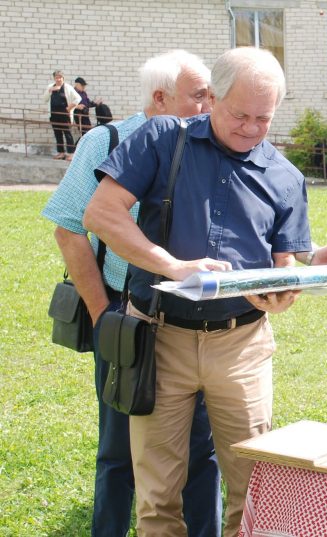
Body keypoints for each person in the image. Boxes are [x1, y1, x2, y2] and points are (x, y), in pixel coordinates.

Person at [83, 47, 327, 537]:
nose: (251, 129)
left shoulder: (285, 176)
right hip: (159, 338)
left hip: (241, 345)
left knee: (253, 492)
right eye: (240, 115)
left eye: (263, 118)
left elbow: (282, 263)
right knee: (158, 497)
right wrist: (172, 266)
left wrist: (287, 287)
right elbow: (101, 214)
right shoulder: (164, 139)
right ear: (212, 98)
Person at [42, 50, 222, 537]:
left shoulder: (207, 144)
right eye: (199, 96)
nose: (210, 105)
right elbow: (69, 228)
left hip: (195, 320)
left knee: (200, 447)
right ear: (160, 98)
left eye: (212, 94)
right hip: (127, 316)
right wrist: (104, 314)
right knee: (119, 447)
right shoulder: (108, 140)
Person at [42, 70, 80, 160]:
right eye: (56, 77)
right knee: (57, 133)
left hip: (65, 115)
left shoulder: (68, 87)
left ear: (63, 78)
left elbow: (78, 98)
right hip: (54, 115)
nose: (58, 79)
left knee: (67, 134)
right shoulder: (50, 87)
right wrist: (50, 90)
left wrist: (69, 108)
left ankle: (71, 153)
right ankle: (61, 152)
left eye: (60, 77)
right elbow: (45, 99)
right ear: (54, 78)